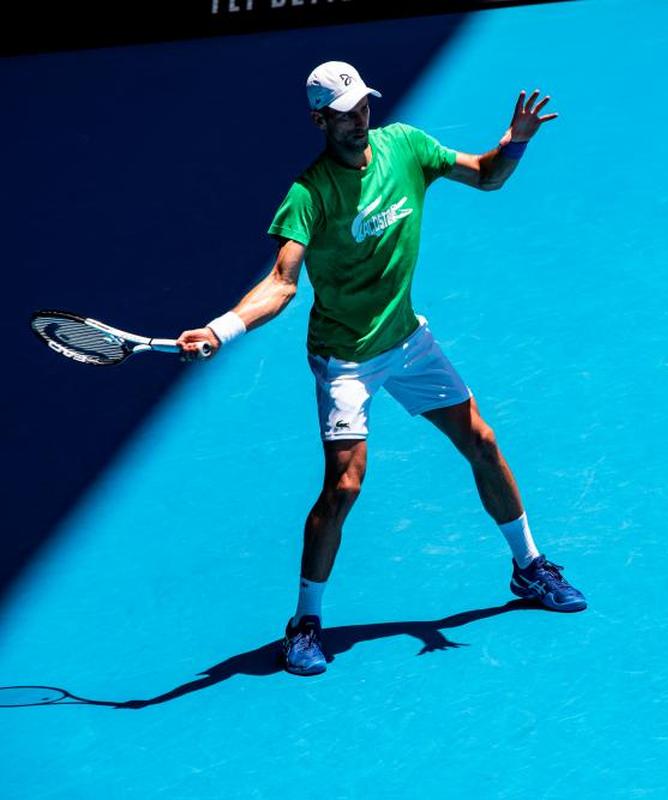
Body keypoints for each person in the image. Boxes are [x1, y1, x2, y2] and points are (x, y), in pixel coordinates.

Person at [177, 61, 586, 677]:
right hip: (344, 358)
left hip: (406, 339)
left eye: (364, 105)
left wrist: (516, 141)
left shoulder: (406, 146)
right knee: (343, 487)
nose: (359, 119)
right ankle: (305, 623)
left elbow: (486, 176)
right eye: (345, 113)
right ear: (320, 120)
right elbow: (282, 284)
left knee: (482, 440)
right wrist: (221, 328)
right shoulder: (308, 195)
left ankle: (529, 567)